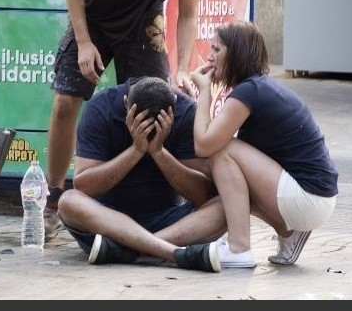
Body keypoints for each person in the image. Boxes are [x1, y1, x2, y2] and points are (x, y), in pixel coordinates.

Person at [44, 0, 203, 240]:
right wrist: (84, 42)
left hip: (144, 17)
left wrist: (182, 68)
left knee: (155, 103)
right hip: (96, 10)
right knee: (66, 101)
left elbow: (190, 12)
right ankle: (54, 198)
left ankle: (153, 201)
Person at [189, 21, 339, 267]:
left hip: (310, 197)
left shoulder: (248, 92)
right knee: (227, 172)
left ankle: (238, 249)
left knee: (222, 151)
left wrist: (203, 91)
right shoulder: (257, 87)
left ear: (236, 53)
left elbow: (204, 145)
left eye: (217, 50)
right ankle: (289, 233)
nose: (209, 56)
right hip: (316, 198)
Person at [56, 76, 226, 272]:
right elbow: (84, 186)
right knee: (68, 201)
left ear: (174, 107)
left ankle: (130, 251)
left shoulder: (186, 112)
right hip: (108, 222)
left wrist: (159, 152)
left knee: (228, 204)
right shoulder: (101, 107)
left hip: (169, 223)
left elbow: (203, 195)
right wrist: (136, 151)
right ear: (125, 103)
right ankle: (170, 252)